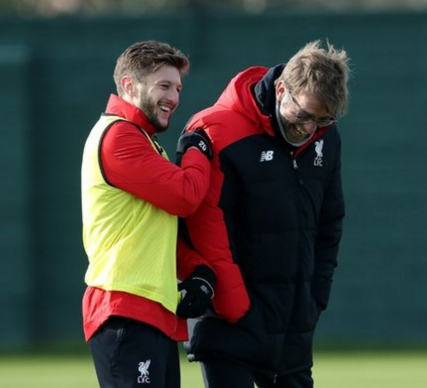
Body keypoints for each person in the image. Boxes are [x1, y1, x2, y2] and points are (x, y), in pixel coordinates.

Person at [177, 40, 351, 387]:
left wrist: (315, 297)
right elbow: (203, 227)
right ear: (282, 88)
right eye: (303, 116)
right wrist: (235, 305)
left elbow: (329, 224)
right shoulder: (217, 131)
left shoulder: (325, 139)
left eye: (323, 120)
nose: (309, 130)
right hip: (229, 323)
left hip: (292, 329)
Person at [81, 40, 217, 388]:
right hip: (126, 309)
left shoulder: (141, 138)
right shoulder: (118, 136)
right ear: (129, 85)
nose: (174, 97)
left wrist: (195, 269)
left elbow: (152, 227)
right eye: (164, 85)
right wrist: (197, 147)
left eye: (178, 88)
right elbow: (186, 196)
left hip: (148, 312)